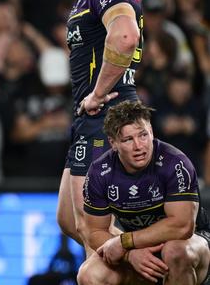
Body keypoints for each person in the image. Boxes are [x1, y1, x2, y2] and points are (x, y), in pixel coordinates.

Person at [46, 0, 143, 251]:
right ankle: (152, 257)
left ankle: (161, 261)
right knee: (70, 220)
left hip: (105, 115)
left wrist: (98, 93)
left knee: (94, 230)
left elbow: (127, 36)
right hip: (94, 118)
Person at [78, 100, 210, 284]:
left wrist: (124, 242)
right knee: (89, 274)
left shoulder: (175, 162)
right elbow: (94, 231)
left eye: (143, 135)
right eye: (128, 140)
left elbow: (182, 226)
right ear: (113, 143)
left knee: (175, 252)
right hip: (138, 248)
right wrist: (130, 255)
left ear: (152, 132)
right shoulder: (100, 172)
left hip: (192, 241)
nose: (139, 146)